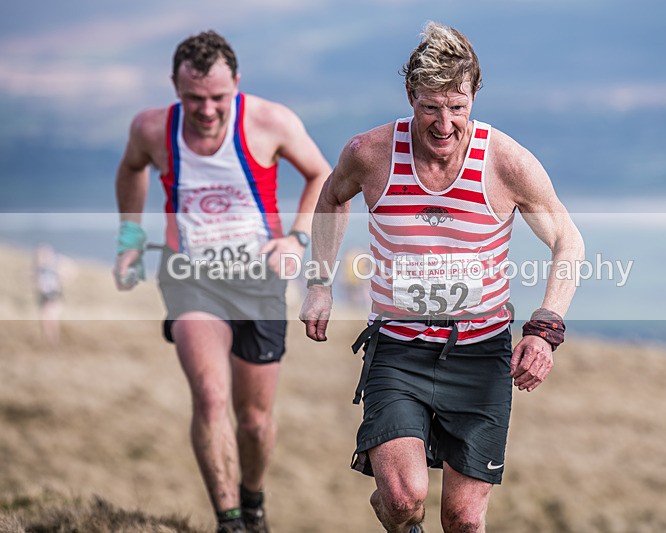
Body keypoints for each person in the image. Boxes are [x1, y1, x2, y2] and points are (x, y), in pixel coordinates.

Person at [300, 22, 584, 533]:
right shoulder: (371, 153)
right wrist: (319, 282)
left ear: (475, 94)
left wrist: (546, 326)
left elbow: (569, 240)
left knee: (463, 519)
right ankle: (397, 512)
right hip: (398, 349)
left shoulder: (506, 163)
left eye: (457, 106)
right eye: (431, 106)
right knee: (405, 496)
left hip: (481, 355)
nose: (445, 123)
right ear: (411, 95)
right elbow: (330, 198)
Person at [113, 30, 330, 533]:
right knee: (209, 396)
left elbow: (321, 174)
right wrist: (129, 236)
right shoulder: (151, 128)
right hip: (191, 277)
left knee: (253, 420)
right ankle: (229, 520)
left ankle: (252, 502)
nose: (206, 110)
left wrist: (296, 240)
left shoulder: (269, 121)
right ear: (174, 86)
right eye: (193, 98)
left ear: (236, 83)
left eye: (217, 98)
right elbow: (130, 169)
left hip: (259, 280)